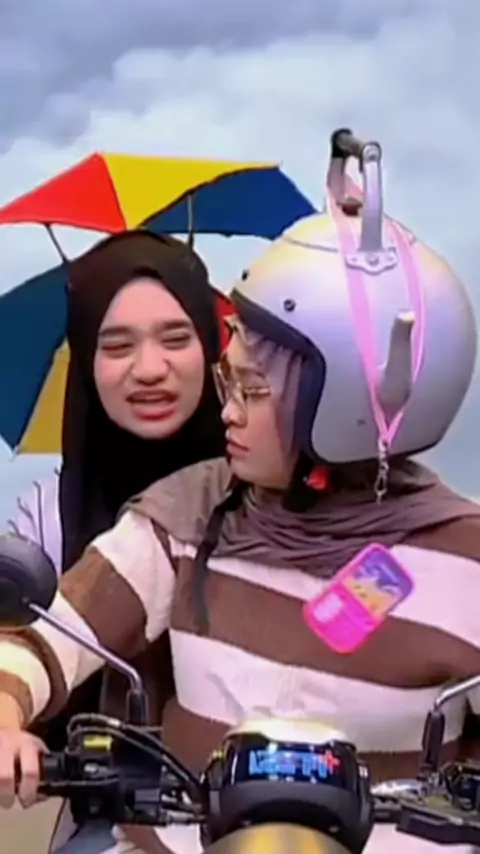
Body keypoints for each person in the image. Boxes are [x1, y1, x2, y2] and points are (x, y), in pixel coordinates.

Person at [1, 206, 480, 854]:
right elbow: (52, 633)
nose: (224, 409)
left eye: (251, 389)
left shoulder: (465, 556)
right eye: (227, 379)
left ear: (345, 401)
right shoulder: (189, 512)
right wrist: (6, 709)